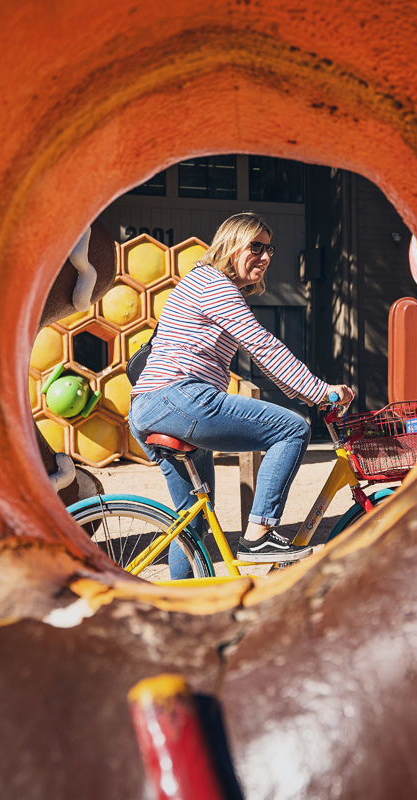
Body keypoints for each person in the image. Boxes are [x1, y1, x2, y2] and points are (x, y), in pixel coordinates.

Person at [128, 212, 352, 575]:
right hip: (178, 397)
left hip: (152, 406)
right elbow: (263, 346)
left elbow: (261, 359)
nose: (266, 257)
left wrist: (310, 395)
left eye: (270, 249)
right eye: (256, 247)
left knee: (193, 527)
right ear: (231, 246)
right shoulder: (213, 283)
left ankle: (184, 613)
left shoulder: (207, 285)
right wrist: (320, 391)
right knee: (291, 429)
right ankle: (259, 534)